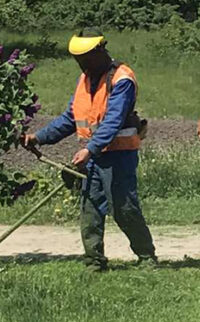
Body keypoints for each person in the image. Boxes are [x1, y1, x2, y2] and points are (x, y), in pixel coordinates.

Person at [23, 29, 157, 272]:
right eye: (78, 59)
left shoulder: (122, 79)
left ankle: (146, 256)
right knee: (91, 207)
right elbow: (70, 119)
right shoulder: (85, 80)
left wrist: (90, 150)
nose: (81, 64)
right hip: (94, 155)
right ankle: (94, 260)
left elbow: (113, 121)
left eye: (85, 58)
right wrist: (39, 138)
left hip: (119, 155)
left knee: (124, 208)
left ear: (99, 51)